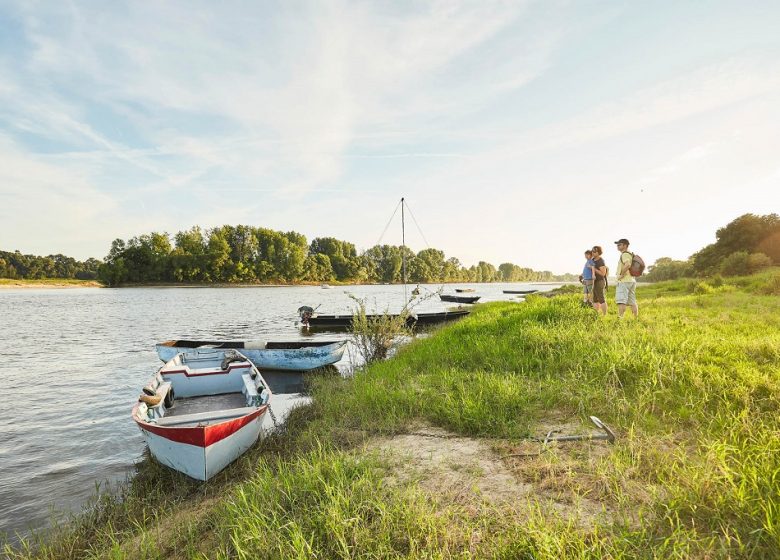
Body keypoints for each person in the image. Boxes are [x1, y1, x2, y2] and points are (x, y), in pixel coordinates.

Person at [614, 238, 638, 318]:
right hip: (631, 280)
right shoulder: (631, 253)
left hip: (624, 281)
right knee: (632, 301)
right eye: (617, 244)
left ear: (625, 245)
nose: (617, 246)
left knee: (621, 301)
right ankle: (635, 318)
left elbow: (627, 265)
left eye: (619, 244)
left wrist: (621, 274)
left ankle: (620, 319)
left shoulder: (624, 254)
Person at [590, 246, 608, 315]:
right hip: (594, 282)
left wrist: (594, 269)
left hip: (600, 281)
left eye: (595, 251)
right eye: (592, 251)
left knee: (601, 298)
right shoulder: (592, 260)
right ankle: (596, 314)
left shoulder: (600, 261)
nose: (593, 252)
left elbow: (603, 273)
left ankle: (605, 315)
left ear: (599, 252)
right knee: (595, 299)